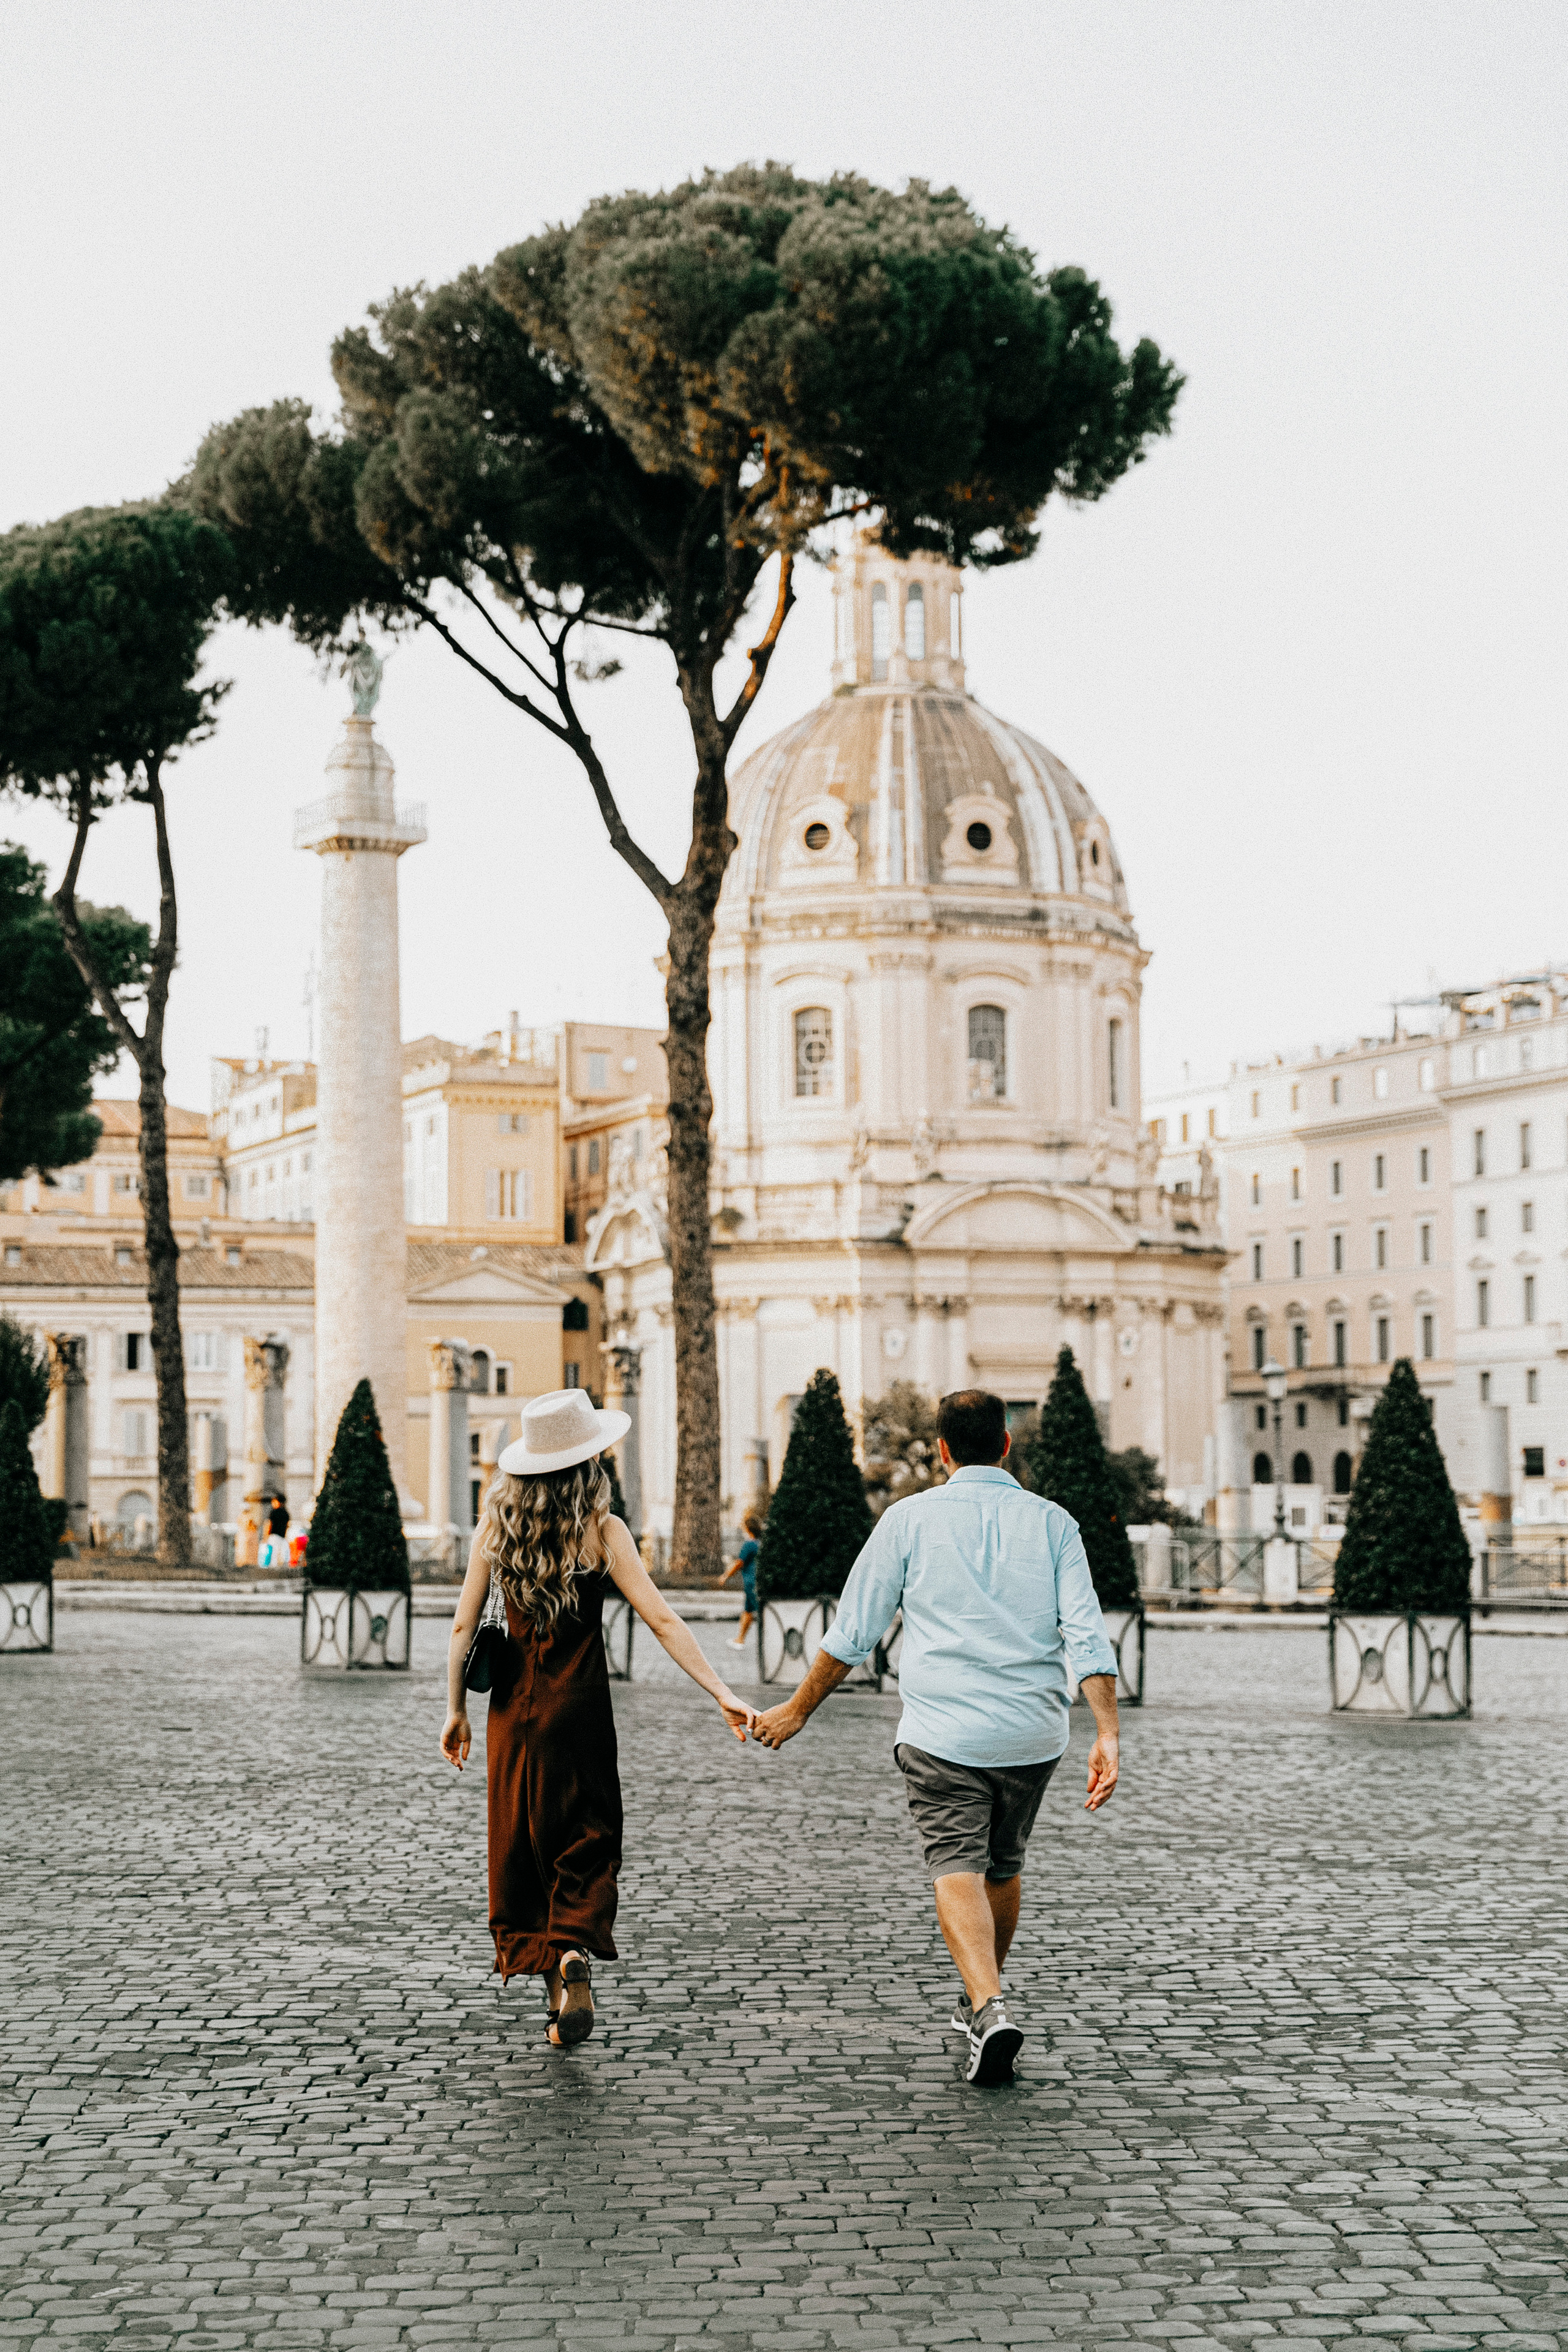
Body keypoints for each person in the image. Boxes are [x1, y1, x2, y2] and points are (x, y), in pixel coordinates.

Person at [753, 1387, 1121, 2088]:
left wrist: (798, 1710)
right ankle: (984, 1999)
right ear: (1007, 1444)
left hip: (942, 1732)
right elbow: (1086, 1632)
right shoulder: (1053, 1524)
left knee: (956, 1861)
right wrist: (1106, 1732)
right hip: (1031, 1733)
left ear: (942, 1451)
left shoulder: (907, 1520)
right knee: (1003, 1864)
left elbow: (854, 1632)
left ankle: (987, 2004)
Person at [441, 1387, 756, 2049]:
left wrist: (455, 1712)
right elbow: (662, 1619)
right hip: (582, 1711)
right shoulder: (603, 1532)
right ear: (589, 1464)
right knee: (586, 1834)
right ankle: (573, 1948)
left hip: (513, 1717)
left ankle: (556, 1986)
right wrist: (721, 1690)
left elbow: (464, 1624)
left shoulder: (494, 1531)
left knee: (524, 1843)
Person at [720, 1508, 763, 1648]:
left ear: (748, 1529)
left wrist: (726, 1576)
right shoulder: (762, 1544)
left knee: (754, 1611)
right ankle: (740, 1639)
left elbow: (739, 1563)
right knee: (748, 1611)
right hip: (759, 1580)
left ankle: (742, 1640)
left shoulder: (749, 1545)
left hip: (751, 1582)